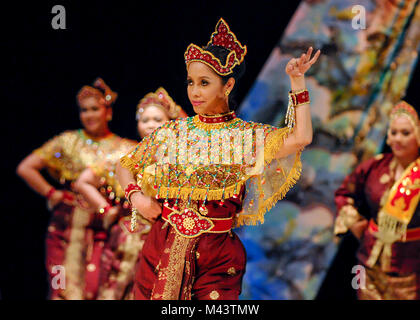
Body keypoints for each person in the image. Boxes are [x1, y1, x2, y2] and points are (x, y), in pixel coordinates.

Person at [116, 18, 320, 300]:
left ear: (227, 86)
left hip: (216, 258)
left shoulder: (246, 137)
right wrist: (136, 197)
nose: (194, 91)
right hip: (160, 247)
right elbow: (125, 165)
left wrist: (297, 82)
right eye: (190, 82)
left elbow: (301, 138)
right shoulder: (174, 131)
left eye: (204, 83)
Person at [16, 78, 135, 300]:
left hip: (105, 230)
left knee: (98, 289)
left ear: (107, 112)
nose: (89, 115)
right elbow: (26, 167)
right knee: (64, 288)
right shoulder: (67, 141)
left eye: (94, 109)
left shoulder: (124, 147)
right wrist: (52, 193)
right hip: (68, 228)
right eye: (84, 110)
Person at [74, 87, 187, 299]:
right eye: (145, 120)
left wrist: (175, 108)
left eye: (157, 119)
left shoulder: (177, 159)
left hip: (167, 239)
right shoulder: (128, 155)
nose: (151, 125)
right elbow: (83, 182)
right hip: (130, 238)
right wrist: (106, 210)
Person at [334, 100, 420, 300]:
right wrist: (355, 223)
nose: (398, 139)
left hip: (410, 272)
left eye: (405, 133)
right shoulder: (375, 166)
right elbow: (344, 193)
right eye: (393, 132)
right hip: (368, 265)